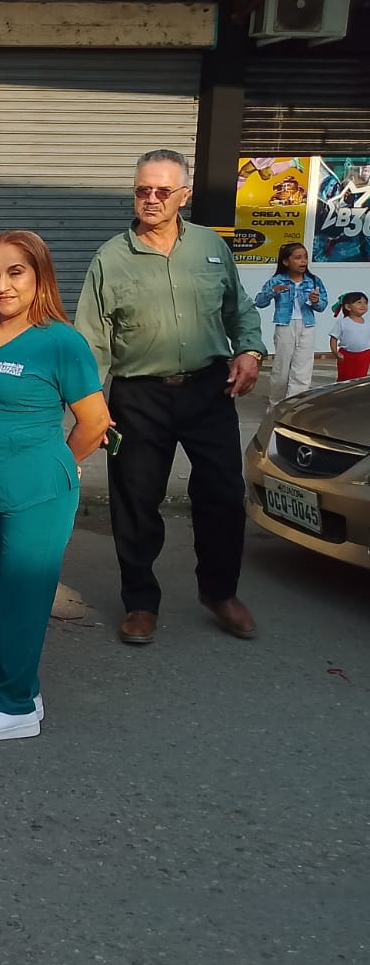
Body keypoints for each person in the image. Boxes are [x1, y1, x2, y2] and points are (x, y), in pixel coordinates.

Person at [75, 149, 267, 646]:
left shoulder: (209, 246)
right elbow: (91, 339)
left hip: (209, 389)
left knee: (223, 495)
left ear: (184, 195)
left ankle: (220, 592)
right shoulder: (110, 258)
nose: (152, 199)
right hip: (139, 397)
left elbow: (238, 308)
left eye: (163, 191)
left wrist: (249, 350)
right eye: (143, 190)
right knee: (136, 501)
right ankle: (140, 602)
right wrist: (90, 405)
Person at [0, 231, 109, 742]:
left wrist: (61, 463)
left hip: (38, 491)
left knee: (22, 598)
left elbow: (95, 422)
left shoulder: (60, 341)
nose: (1, 285)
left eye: (15, 272)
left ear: (40, 276)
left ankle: (16, 708)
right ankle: (16, 686)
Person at [253, 243, 328, 405]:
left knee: (302, 369)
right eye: (298, 258)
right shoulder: (277, 280)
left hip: (307, 326)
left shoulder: (314, 281)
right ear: (286, 261)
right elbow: (259, 302)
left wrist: (316, 301)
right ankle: (276, 403)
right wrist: (273, 291)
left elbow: (322, 306)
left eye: (305, 257)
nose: (303, 261)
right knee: (282, 368)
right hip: (285, 326)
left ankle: (294, 406)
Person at [329, 291, 370, 381]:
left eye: (365, 303)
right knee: (345, 378)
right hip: (346, 355)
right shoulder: (343, 322)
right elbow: (333, 338)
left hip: (364, 355)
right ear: (348, 307)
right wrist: (335, 353)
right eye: (359, 302)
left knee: (360, 377)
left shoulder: (367, 323)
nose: (363, 305)